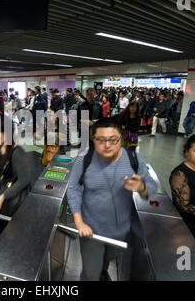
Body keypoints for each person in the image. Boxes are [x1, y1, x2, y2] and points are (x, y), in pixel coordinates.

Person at [67, 118, 157, 281]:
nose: (107, 145)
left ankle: (103, 270)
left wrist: (142, 187)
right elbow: (73, 189)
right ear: (93, 140)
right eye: (101, 140)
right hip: (91, 229)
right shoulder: (84, 160)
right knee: (90, 273)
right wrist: (79, 222)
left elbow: (151, 186)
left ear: (120, 139)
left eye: (113, 140)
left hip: (120, 229)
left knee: (108, 258)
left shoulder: (133, 159)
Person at [0, 118, 32, 237]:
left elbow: (25, 179)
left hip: (13, 204)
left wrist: (4, 196)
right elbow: (5, 166)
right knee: (1, 232)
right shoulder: (0, 149)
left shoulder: (17, 152)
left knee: (10, 236)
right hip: (3, 201)